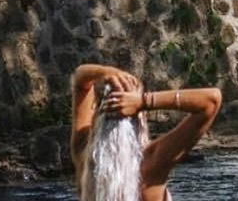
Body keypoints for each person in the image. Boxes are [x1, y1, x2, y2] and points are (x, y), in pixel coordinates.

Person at [70, 62, 221, 201]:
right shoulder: (150, 165)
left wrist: (105, 72)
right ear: (140, 119)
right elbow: (212, 100)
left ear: (99, 113)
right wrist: (144, 101)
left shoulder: (84, 156)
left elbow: (79, 79)